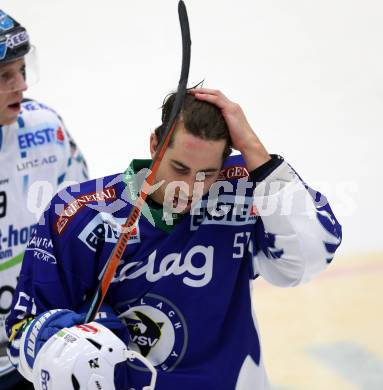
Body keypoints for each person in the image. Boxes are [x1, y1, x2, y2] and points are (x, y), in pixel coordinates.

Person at [6, 88, 341, 390]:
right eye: (179, 168)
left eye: (207, 174)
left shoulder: (244, 189)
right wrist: (69, 348)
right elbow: (25, 332)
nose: (191, 188)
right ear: (155, 145)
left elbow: (309, 258)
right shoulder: (82, 214)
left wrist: (254, 149)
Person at [0, 10, 88, 389]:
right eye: (5, 76)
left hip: (36, 351)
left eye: (22, 70)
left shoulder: (44, 129)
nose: (21, 85)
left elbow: (85, 225)